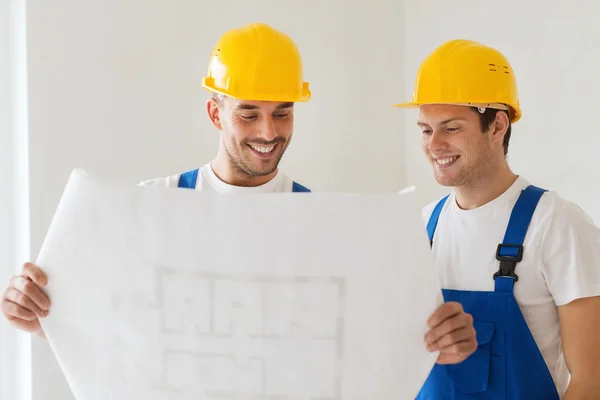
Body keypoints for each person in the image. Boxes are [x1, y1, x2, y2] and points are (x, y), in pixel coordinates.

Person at [1, 24, 477, 369]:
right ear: (215, 112)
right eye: (248, 114)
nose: (268, 133)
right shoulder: (151, 209)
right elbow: (110, 323)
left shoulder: (327, 226)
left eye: (282, 113)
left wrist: (441, 343)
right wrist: (41, 316)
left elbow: (370, 343)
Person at [394, 39, 600, 399]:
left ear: (497, 126)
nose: (434, 144)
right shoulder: (422, 225)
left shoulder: (558, 226)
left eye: (451, 127)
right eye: (426, 129)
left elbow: (591, 381)